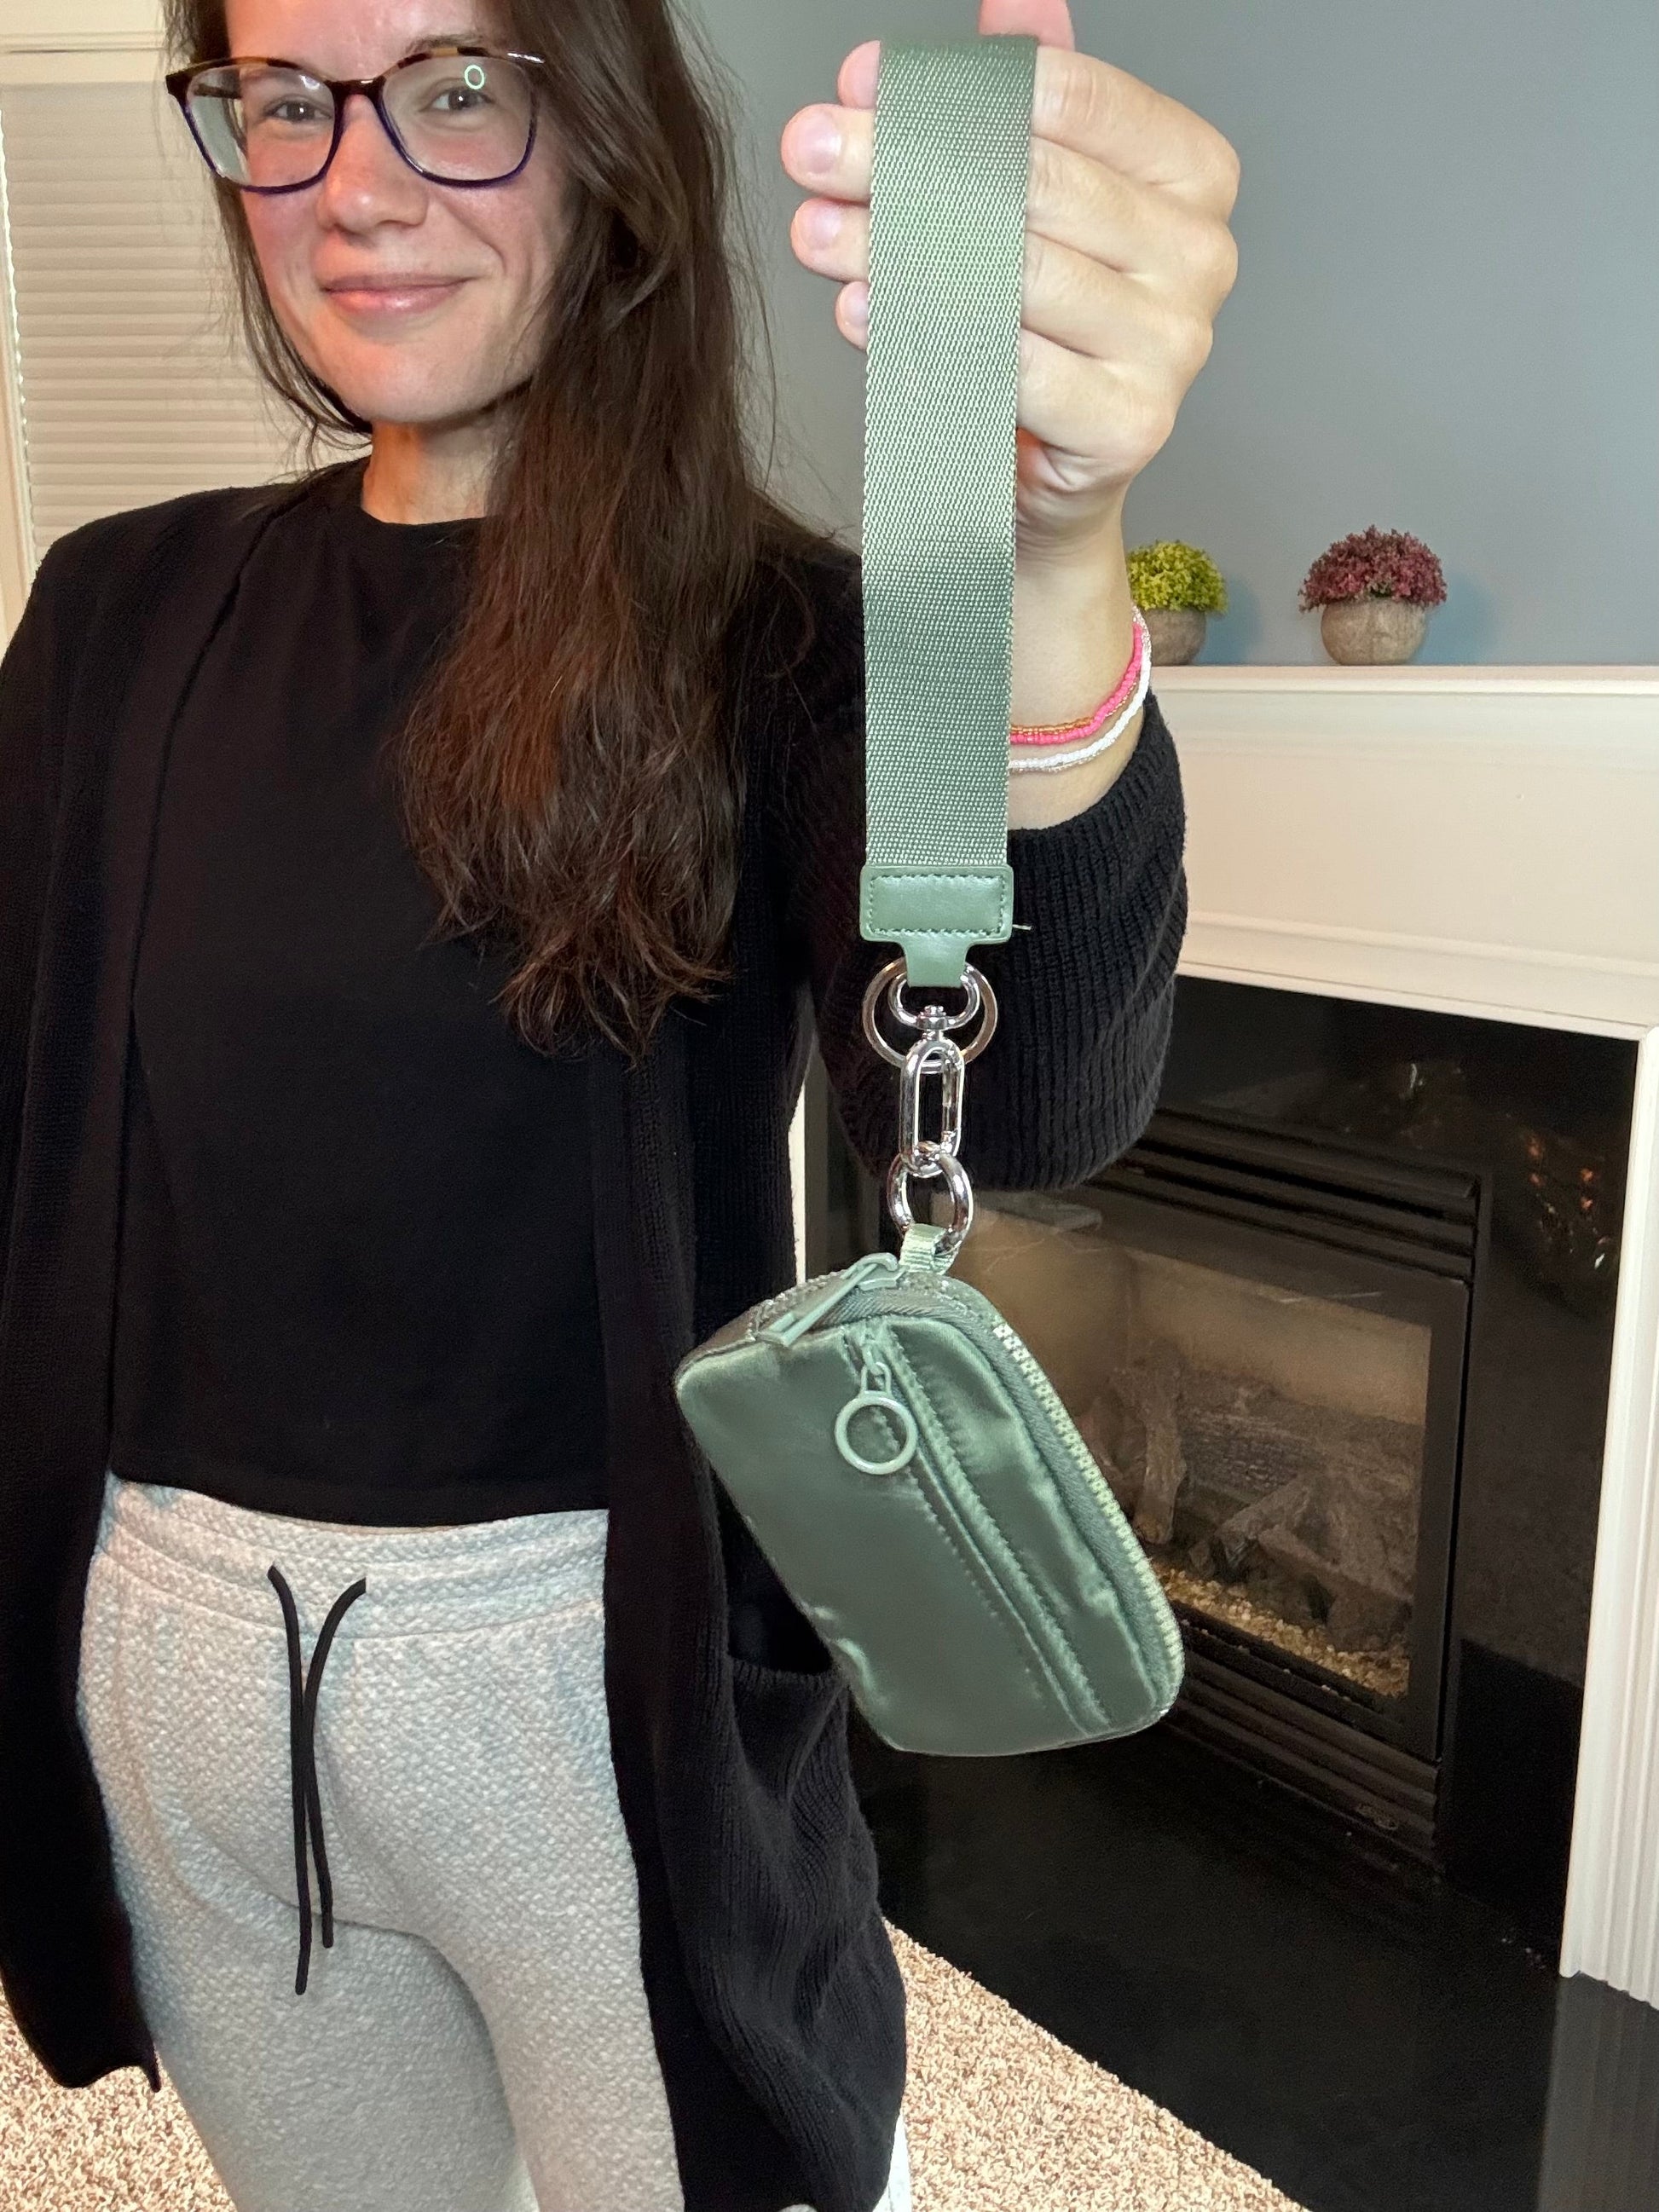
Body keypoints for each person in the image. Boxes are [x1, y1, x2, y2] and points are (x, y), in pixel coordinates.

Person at [0, 0, 1236, 2207]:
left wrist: (1048, 568)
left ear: (607, 135)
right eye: (285, 99)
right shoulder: (114, 615)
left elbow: (1027, 1095)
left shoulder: (775, 637)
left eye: (456, 87)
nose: (356, 184)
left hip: (601, 1681)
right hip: (182, 1669)